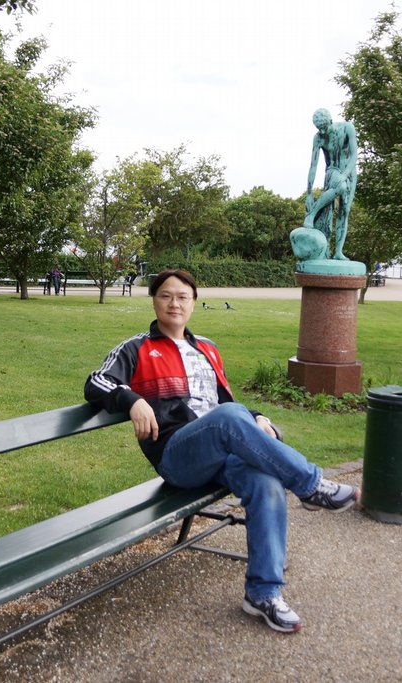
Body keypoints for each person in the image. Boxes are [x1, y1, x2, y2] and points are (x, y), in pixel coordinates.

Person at [84, 269, 359, 634]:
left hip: (220, 451)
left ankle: (263, 593)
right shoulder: (136, 348)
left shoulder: (207, 348)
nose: (174, 303)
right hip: (177, 455)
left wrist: (257, 417)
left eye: (183, 297)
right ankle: (310, 484)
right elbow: (96, 381)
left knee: (266, 483)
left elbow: (225, 401)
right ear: (154, 301)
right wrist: (131, 399)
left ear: (193, 303)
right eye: (166, 295)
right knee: (228, 420)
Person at [303, 108, 358, 261]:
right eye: (319, 128)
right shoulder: (318, 138)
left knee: (345, 211)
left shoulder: (347, 128)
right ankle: (312, 214)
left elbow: (354, 154)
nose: (322, 131)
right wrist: (309, 193)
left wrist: (345, 175)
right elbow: (313, 166)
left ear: (331, 122)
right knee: (341, 187)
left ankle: (338, 252)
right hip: (332, 170)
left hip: (349, 171)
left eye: (324, 127)